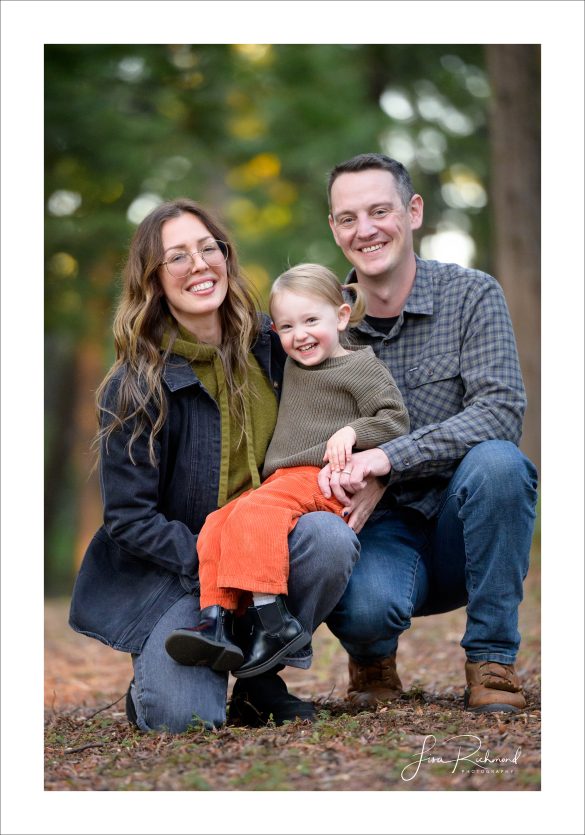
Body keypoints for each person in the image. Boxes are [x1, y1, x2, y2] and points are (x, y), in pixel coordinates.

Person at [68, 199, 362, 732]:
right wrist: (218, 565)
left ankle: (258, 678)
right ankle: (159, 681)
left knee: (329, 538)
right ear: (153, 280)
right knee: (184, 721)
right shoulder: (135, 384)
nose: (200, 265)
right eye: (177, 257)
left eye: (209, 249)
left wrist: (373, 461)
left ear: (227, 256)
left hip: (272, 544)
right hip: (183, 571)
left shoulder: (274, 348)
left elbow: (348, 381)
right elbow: (129, 520)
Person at [319, 153, 539, 713]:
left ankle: (491, 660)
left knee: (500, 463)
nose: (365, 230)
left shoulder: (472, 296)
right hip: (378, 531)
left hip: (463, 527)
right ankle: (371, 658)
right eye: (348, 218)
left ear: (412, 211)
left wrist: (387, 460)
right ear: (334, 229)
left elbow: (500, 409)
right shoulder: (319, 326)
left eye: (379, 211)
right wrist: (353, 474)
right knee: (365, 604)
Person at [164, 263, 409, 679]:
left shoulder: (360, 366)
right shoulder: (295, 363)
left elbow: (396, 420)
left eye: (312, 320)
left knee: (257, 514)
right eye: (288, 327)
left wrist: (352, 431)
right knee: (220, 522)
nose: (301, 336)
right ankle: (215, 619)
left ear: (342, 315)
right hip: (284, 480)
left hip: (320, 477)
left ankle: (273, 620)